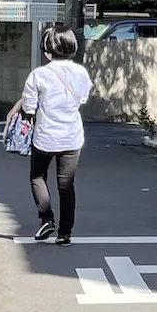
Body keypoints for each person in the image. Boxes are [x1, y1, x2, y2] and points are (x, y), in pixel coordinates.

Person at [8, 24, 94, 244]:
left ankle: (46, 219)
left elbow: (29, 107)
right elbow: (83, 98)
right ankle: (65, 234)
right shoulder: (81, 73)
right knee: (66, 186)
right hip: (72, 136)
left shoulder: (39, 74)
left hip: (45, 137)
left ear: (47, 51)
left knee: (38, 176)